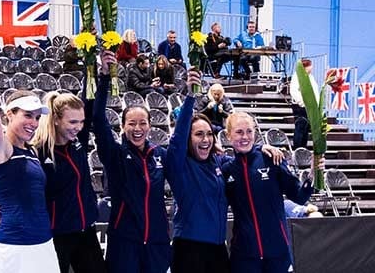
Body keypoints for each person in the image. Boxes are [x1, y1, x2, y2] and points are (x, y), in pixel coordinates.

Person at [167, 76, 284, 273]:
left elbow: (242, 161)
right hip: (189, 248)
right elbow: (177, 140)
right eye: (198, 134)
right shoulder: (180, 165)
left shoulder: (219, 163)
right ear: (189, 138)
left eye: (209, 134)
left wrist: (260, 147)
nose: (205, 139)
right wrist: (190, 97)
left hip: (218, 249)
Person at [0, 33, 58, 273]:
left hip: (44, 244)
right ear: (9, 115)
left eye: (37, 117)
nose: (34, 123)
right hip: (14, 249)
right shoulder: (0, 148)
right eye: (27, 115)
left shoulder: (32, 151)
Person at [92, 52, 171, 273]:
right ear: (123, 126)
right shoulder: (114, 154)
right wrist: (105, 78)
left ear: (149, 126)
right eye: (132, 123)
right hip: (125, 241)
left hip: (156, 241)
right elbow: (97, 120)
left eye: (142, 123)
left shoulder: (159, 155)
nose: (137, 129)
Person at [221, 112, 316, 273]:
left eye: (249, 131)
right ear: (229, 135)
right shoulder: (226, 170)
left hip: (278, 252)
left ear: (255, 133)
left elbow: (299, 197)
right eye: (239, 132)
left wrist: (313, 173)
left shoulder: (272, 159)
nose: (245, 137)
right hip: (244, 254)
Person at [29, 81, 105, 270]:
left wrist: (98, 70)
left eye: (81, 122)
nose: (78, 127)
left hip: (85, 229)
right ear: (55, 119)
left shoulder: (78, 140)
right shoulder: (39, 151)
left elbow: (92, 98)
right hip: (56, 234)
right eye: (72, 122)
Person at [289, 59, 318, 149]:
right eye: (310, 66)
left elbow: (315, 91)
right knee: (300, 127)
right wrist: (302, 103)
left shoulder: (310, 77)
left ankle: (303, 148)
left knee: (305, 129)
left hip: (310, 105)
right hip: (301, 106)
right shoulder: (297, 77)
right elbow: (294, 91)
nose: (311, 68)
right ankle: (297, 148)